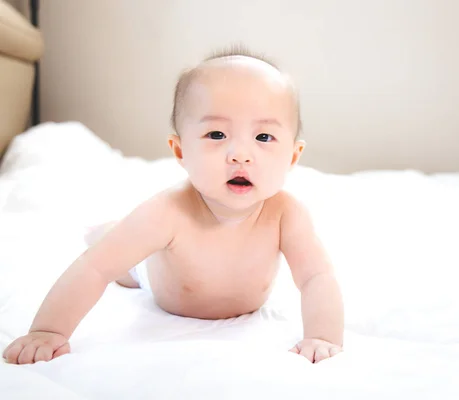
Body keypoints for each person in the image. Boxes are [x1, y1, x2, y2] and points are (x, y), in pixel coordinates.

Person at [2, 47, 344, 365]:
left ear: (293, 156)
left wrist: (322, 336)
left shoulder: (286, 213)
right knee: (121, 259)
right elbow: (95, 269)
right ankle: (102, 230)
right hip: (151, 279)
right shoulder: (168, 211)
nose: (241, 153)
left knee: (125, 240)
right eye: (217, 135)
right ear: (180, 151)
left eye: (263, 137)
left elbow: (316, 277)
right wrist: (48, 331)